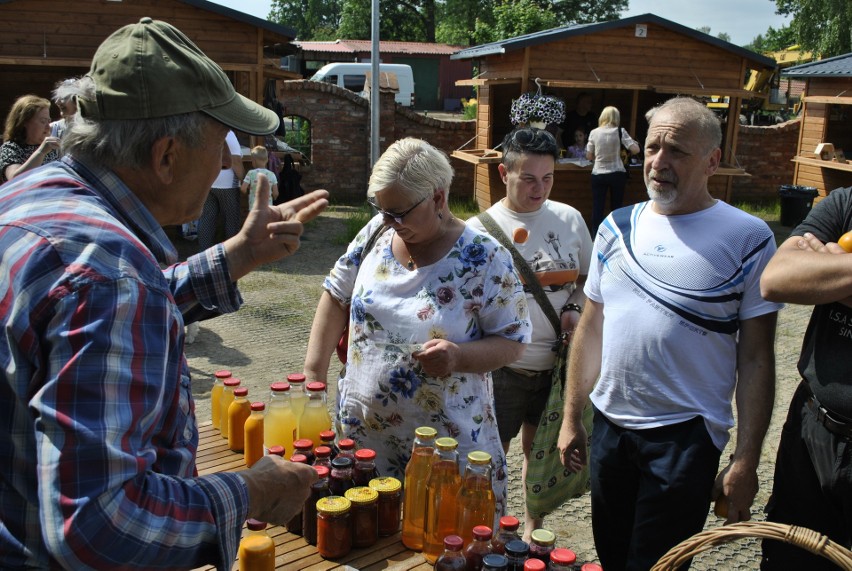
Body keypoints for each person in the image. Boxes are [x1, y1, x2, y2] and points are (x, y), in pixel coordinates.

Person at [0, 17, 328, 570]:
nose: (227, 163)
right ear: (167, 155)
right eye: (217, 145)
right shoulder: (112, 275)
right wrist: (251, 492)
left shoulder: (32, 198)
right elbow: (100, 527)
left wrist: (239, 255)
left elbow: (80, 322)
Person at [557, 96, 781, 571]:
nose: (658, 162)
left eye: (676, 150)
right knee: (614, 557)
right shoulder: (616, 226)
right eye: (653, 147)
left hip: (685, 437)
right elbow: (591, 327)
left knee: (656, 565)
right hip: (611, 429)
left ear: (712, 161)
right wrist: (571, 416)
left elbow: (758, 358)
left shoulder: (748, 237)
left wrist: (746, 460)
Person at [303, 137, 532, 516]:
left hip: (447, 449)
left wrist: (459, 357)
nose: (388, 221)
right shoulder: (377, 233)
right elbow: (335, 295)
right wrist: (313, 375)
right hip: (366, 441)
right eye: (381, 209)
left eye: (398, 213)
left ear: (438, 198)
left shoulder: (485, 258)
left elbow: (514, 341)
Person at [467, 127, 592, 539]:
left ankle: (532, 530)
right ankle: (486, 532)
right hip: (501, 372)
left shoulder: (570, 219)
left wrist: (574, 307)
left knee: (538, 454)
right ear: (504, 173)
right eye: (528, 179)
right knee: (488, 459)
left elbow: (589, 281)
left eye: (548, 178)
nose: (539, 189)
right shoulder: (477, 231)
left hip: (556, 370)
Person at [759, 188, 852, 570]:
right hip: (813, 431)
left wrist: (833, 270)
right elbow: (777, 279)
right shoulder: (845, 204)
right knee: (788, 560)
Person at [585, 106, 640, 234]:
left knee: (598, 207)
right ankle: (615, 233)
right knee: (616, 207)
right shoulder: (620, 131)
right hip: (617, 172)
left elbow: (588, 155)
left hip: (598, 172)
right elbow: (635, 150)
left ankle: (595, 235)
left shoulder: (594, 132)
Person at [198, 128, 244, 249]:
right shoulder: (228, 134)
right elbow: (236, 161)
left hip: (208, 181)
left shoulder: (206, 131)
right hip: (228, 184)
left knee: (207, 217)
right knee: (231, 218)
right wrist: (243, 178)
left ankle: (203, 251)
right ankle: (232, 251)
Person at [1, 94, 60, 183]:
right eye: (43, 121)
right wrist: (41, 152)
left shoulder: (51, 148)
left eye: (49, 121)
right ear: (24, 122)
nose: (48, 127)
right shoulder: (11, 148)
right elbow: (15, 179)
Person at [241, 145, 279, 210]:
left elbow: (243, 188)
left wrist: (249, 192)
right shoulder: (272, 174)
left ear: (254, 161)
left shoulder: (250, 173)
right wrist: (274, 197)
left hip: (254, 207)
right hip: (267, 207)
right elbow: (275, 193)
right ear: (267, 160)